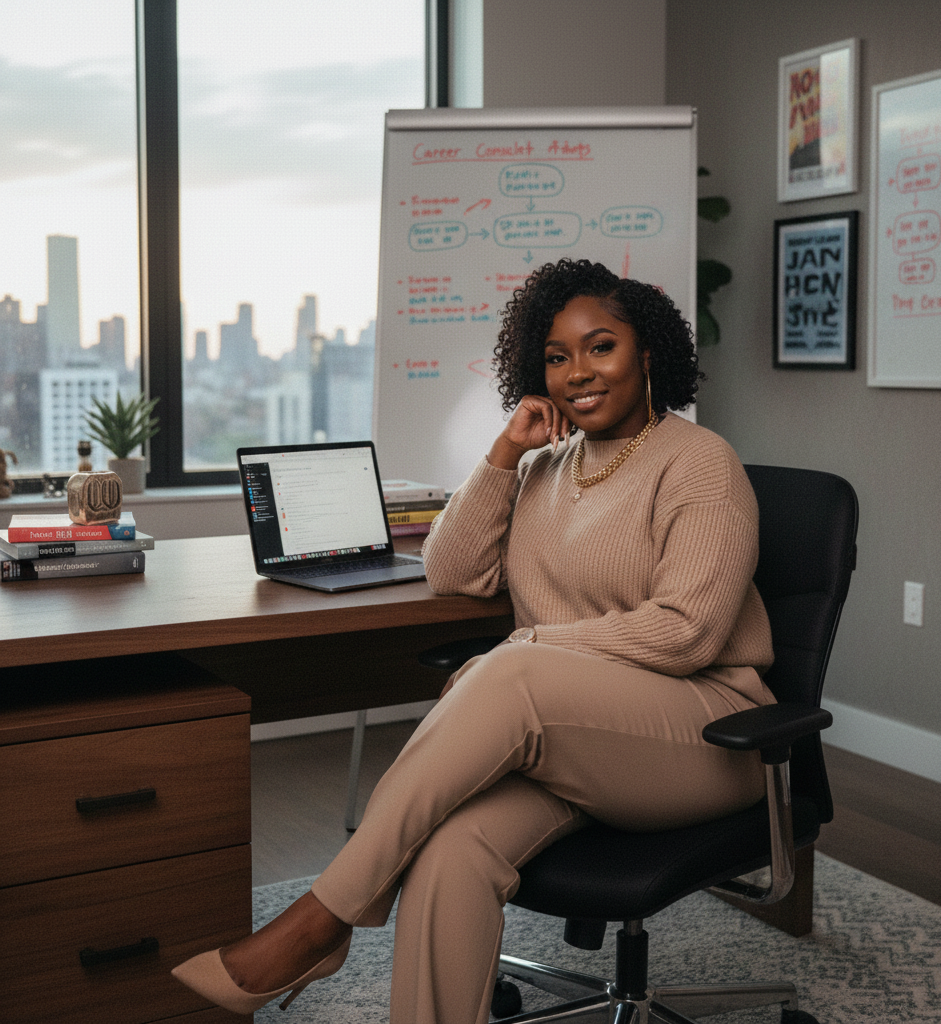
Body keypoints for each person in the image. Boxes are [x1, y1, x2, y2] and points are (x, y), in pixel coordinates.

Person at [171, 257, 775, 1023]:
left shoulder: (699, 464)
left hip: (707, 736)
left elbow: (687, 633)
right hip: (584, 741)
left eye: (600, 347)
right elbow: (452, 572)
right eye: (556, 357)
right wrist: (502, 455)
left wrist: (527, 647)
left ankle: (319, 919)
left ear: (648, 353)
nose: (576, 373)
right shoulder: (546, 465)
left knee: (510, 673)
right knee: (451, 849)